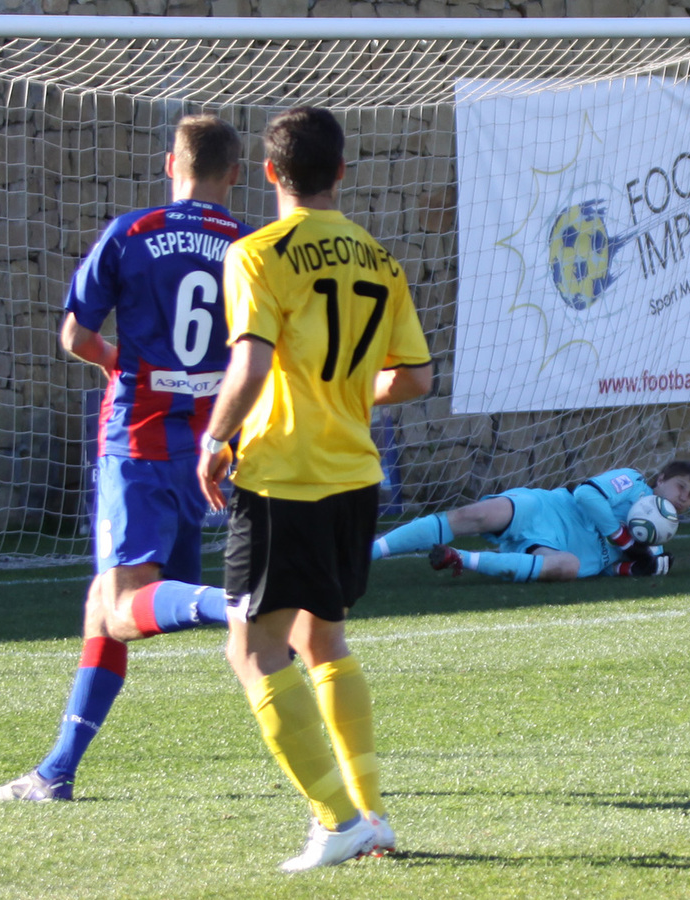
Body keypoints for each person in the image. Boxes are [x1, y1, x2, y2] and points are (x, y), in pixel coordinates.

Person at [0, 114, 247, 804]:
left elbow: (76, 336)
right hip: (211, 447)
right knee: (110, 605)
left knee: (121, 607)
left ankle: (235, 604)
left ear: (170, 165)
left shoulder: (132, 232)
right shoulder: (249, 245)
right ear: (235, 174)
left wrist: (114, 361)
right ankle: (56, 771)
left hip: (137, 442)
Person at [197, 106, 433, 873]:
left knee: (253, 651)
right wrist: (352, 393)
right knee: (322, 639)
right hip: (355, 475)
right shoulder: (380, 259)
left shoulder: (257, 254)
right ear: (341, 172)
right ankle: (370, 811)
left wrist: (215, 439)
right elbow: (416, 378)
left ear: (271, 173)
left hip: (283, 475)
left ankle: (337, 822)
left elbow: (251, 365)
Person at [372, 460, 690, 582]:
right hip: (548, 510)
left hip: (555, 549)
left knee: (567, 567)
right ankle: (368, 552)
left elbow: (612, 570)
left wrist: (640, 567)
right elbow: (586, 494)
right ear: (661, 478)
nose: (683, 497)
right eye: (680, 486)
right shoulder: (633, 482)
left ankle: (460, 558)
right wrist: (623, 539)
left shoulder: (656, 540)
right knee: (474, 515)